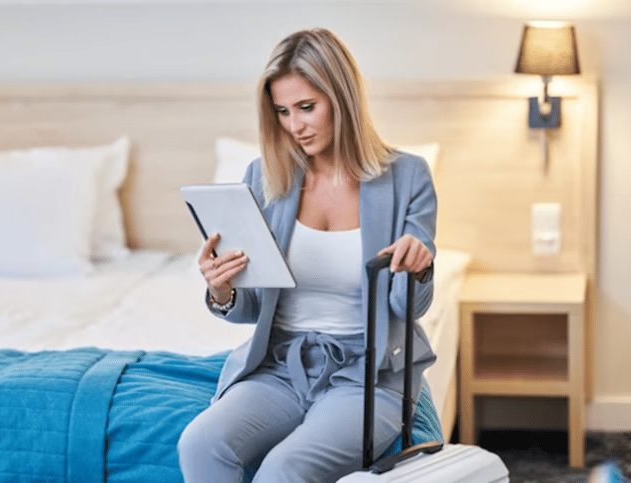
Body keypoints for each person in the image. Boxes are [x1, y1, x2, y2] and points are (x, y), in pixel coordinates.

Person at [178, 28, 438, 482]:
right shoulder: (263, 178)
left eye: (306, 107)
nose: (294, 126)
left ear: (342, 99)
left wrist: (420, 266)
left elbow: (406, 308)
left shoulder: (408, 177)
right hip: (279, 366)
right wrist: (222, 289)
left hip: (366, 374)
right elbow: (254, 307)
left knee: (284, 469)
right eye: (282, 111)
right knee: (199, 443)